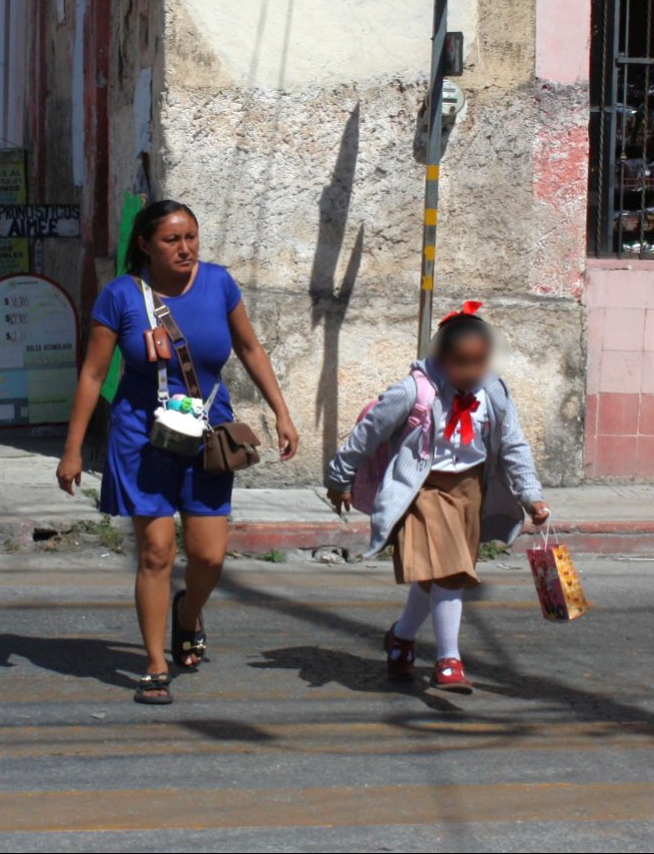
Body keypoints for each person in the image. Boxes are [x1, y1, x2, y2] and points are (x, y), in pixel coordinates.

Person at [56, 200, 299, 706]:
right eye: (172, 239)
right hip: (141, 440)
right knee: (157, 552)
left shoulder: (218, 284)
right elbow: (94, 375)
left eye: (191, 236)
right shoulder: (120, 297)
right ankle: (153, 664)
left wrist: (281, 411)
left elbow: (251, 349)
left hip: (206, 434)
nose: (185, 248)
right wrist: (73, 449)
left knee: (209, 555)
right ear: (145, 244)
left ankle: (187, 614)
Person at [325, 302, 551, 693]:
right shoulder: (414, 390)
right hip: (424, 490)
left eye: (479, 362)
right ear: (440, 358)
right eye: (462, 363)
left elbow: (513, 444)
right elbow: (368, 433)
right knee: (451, 573)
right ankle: (449, 660)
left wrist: (531, 495)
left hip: (469, 492)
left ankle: (401, 637)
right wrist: (340, 475)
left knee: (435, 578)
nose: (472, 372)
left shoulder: (492, 390)